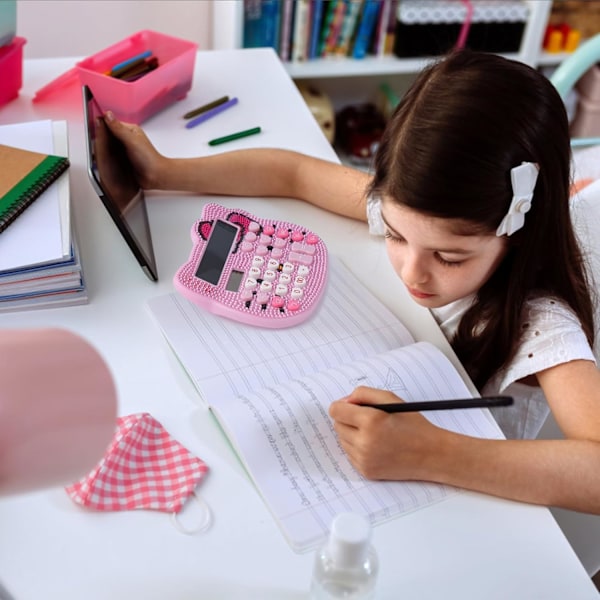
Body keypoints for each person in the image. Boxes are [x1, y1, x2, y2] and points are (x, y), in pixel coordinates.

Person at [104, 49, 600, 514]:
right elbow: (292, 173)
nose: (411, 271)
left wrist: (433, 454)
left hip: (460, 510)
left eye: (448, 258)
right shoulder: (422, 205)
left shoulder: (541, 322)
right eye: (396, 235)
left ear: (516, 233)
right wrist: (166, 171)